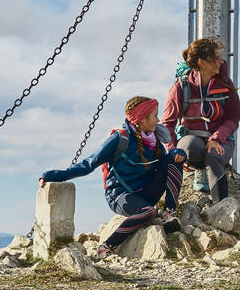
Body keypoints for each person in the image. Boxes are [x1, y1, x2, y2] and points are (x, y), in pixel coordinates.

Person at [40, 95, 186, 256]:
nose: (158, 120)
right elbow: (89, 164)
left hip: (146, 193)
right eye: (154, 116)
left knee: (173, 159)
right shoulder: (119, 138)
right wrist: (52, 175)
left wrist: (177, 153)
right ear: (141, 119)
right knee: (148, 212)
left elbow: (165, 163)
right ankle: (106, 247)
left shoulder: (155, 140)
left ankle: (168, 213)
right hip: (120, 195)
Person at [162, 38, 240, 202]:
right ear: (202, 62)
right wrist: (173, 150)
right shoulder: (181, 87)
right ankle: (198, 169)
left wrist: (216, 138)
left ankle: (220, 206)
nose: (221, 61)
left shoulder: (225, 84)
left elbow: (234, 115)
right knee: (189, 147)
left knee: (213, 155)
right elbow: (167, 124)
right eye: (216, 58)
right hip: (192, 140)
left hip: (221, 141)